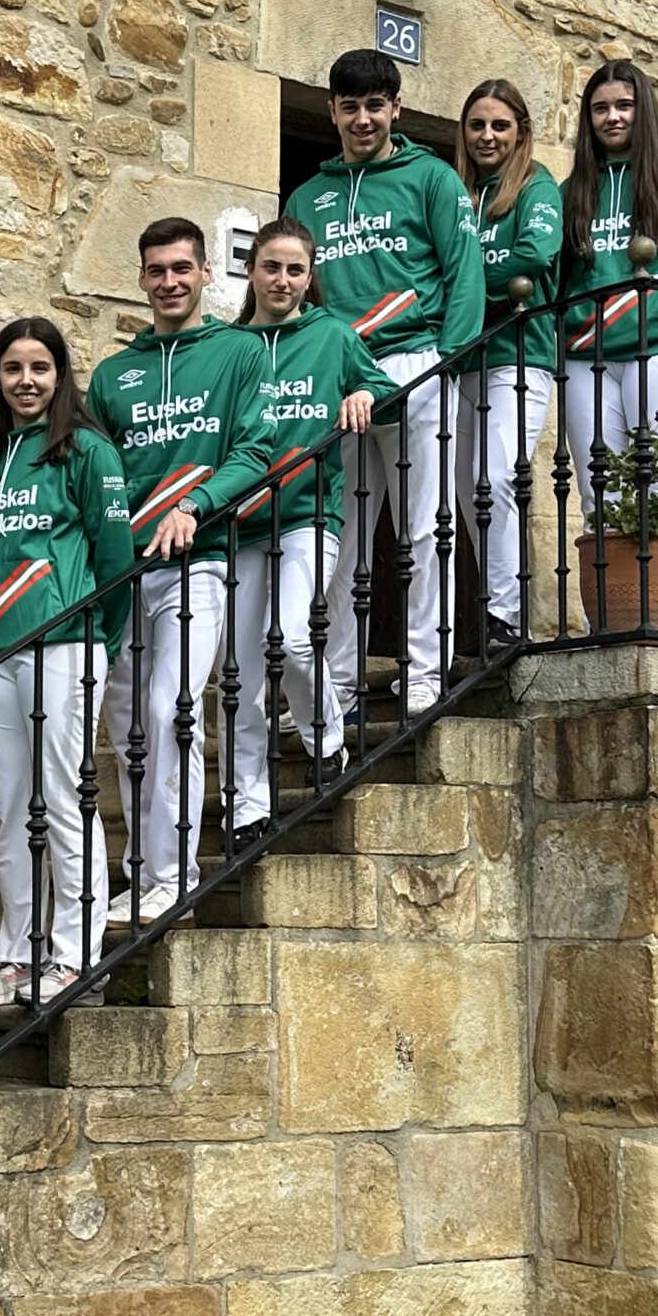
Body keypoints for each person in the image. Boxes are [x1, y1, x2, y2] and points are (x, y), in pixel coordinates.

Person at [285, 48, 487, 716]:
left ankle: (426, 670)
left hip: (414, 361)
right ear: (333, 110)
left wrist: (446, 361)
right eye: (350, 107)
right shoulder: (306, 198)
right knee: (336, 536)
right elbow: (301, 299)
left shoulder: (432, 178)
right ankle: (335, 686)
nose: (363, 119)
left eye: (376, 106)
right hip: (339, 381)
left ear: (396, 108)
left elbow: (465, 275)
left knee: (425, 526)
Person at [87, 216, 273, 922]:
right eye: (156, 270)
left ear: (204, 274)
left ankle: (177, 874)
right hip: (124, 573)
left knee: (172, 713)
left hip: (199, 565)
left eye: (181, 269)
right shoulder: (112, 375)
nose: (169, 281)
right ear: (141, 279)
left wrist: (195, 504)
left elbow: (255, 453)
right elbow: (97, 476)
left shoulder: (238, 353)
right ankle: (145, 873)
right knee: (131, 728)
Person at [0, 316, 135, 1007]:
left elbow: (115, 556)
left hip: (66, 644)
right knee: (6, 808)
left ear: (62, 376)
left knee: (62, 797)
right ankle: (17, 954)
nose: (27, 381)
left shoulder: (88, 451)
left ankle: (73, 954)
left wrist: (103, 639)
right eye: (13, 369)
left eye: (40, 368)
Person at [226, 215, 392, 848]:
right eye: (272, 267)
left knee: (294, 640)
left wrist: (363, 397)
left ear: (310, 275)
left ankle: (325, 738)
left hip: (307, 514)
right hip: (238, 524)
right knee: (237, 674)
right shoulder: (231, 344)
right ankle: (244, 806)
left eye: (296, 269)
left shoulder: (331, 335)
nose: (284, 280)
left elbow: (380, 384)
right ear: (252, 270)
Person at [555, 60, 658, 544]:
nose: (613, 117)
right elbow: (562, 276)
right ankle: (607, 618)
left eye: (625, 106)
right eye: (600, 108)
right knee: (597, 491)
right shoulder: (573, 191)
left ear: (643, 110)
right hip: (588, 356)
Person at [453, 78, 565, 647]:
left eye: (500, 125)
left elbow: (534, 254)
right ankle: (488, 609)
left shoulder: (537, 186)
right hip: (461, 359)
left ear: (520, 131)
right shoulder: (454, 191)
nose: (488, 136)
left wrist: (460, 292)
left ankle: (509, 615)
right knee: (466, 489)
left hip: (520, 354)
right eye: (477, 125)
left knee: (499, 477)